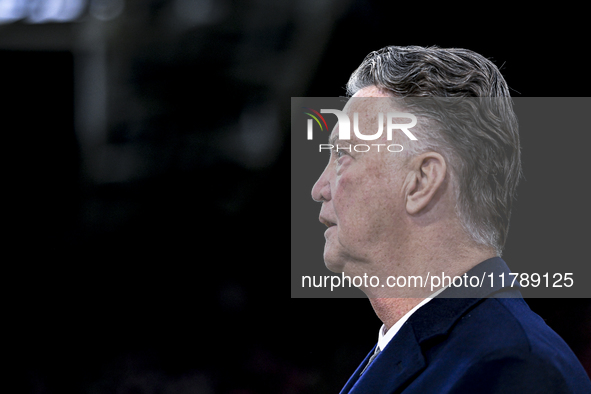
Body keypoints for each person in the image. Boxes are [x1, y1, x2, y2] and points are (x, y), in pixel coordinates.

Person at [311, 46, 591, 393]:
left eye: (343, 155)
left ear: (422, 181)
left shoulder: (512, 368)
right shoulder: (465, 354)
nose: (319, 188)